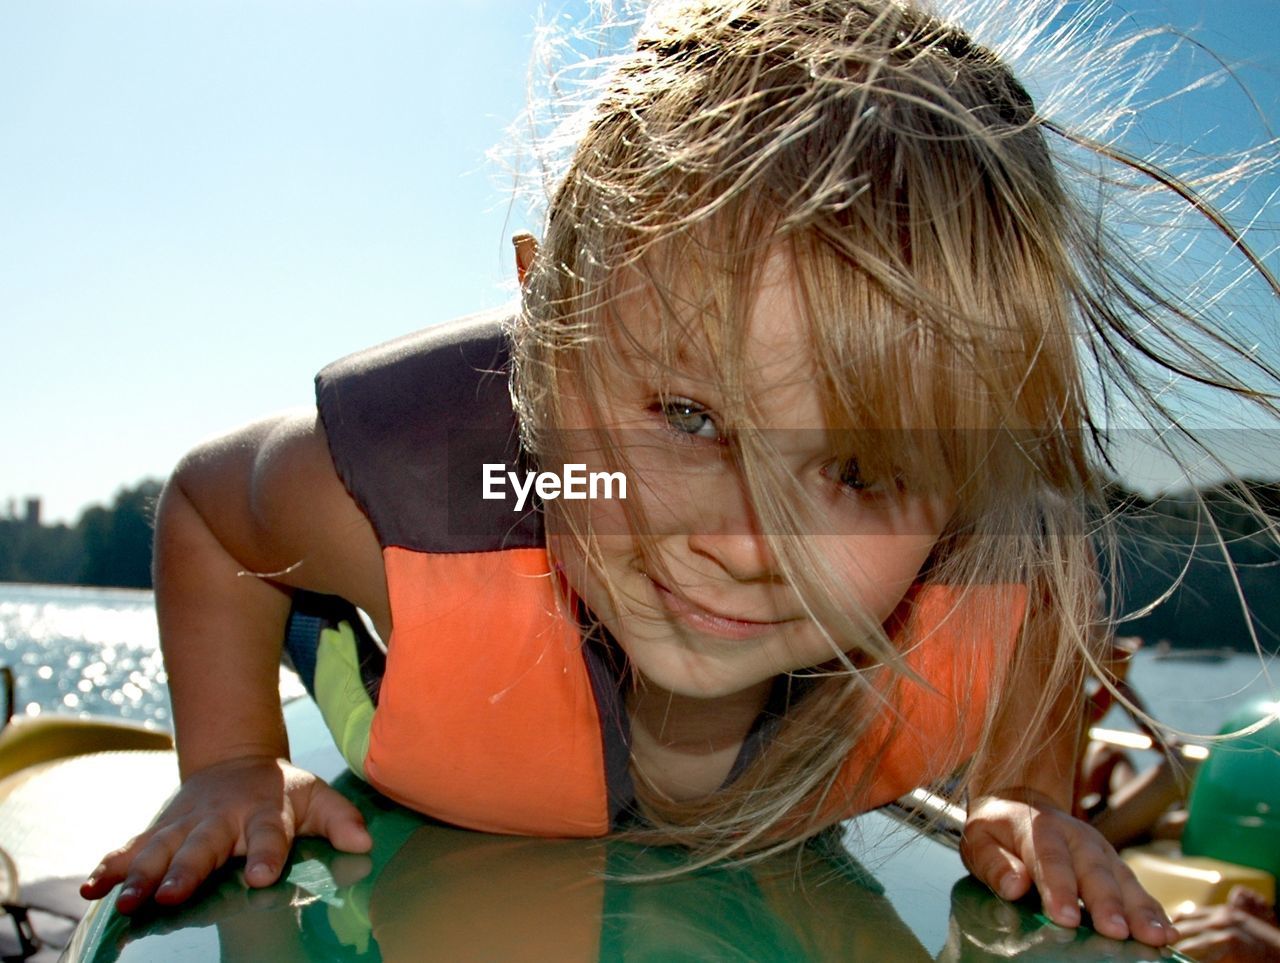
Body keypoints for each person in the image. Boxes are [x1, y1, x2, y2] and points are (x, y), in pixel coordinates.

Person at [78, 0, 1280, 948]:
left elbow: (1041, 581)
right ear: (542, 315)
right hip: (409, 680)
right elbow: (208, 506)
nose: (750, 543)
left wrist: (1019, 799)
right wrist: (234, 760)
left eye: (860, 470)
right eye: (691, 419)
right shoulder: (433, 502)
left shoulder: (992, 550)